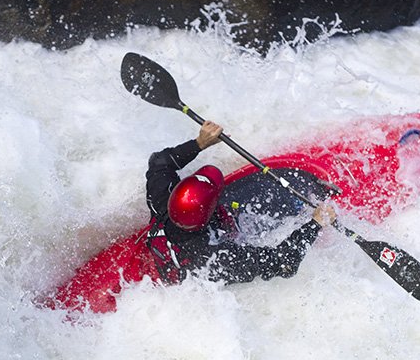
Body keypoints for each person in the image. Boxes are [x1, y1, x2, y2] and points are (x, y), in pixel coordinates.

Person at [144, 120, 337, 284]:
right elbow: (284, 264)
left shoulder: (161, 201)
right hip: (195, 279)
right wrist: (315, 224)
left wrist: (199, 143)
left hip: (171, 250)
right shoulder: (217, 261)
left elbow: (159, 162)